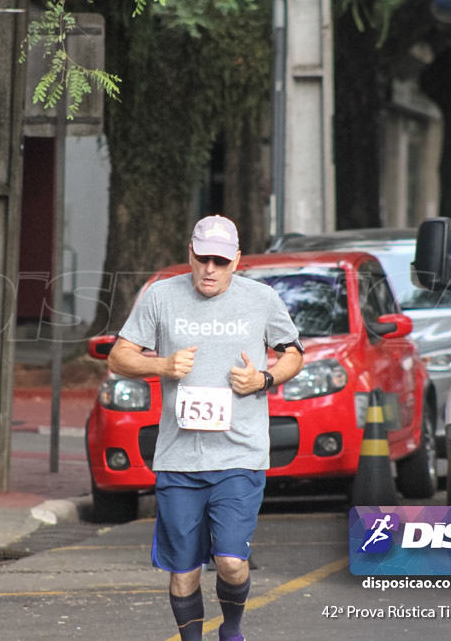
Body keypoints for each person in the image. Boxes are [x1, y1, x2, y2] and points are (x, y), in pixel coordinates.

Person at [108, 214, 304, 641]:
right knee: (184, 574)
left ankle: (231, 630)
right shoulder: (161, 296)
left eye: (219, 260)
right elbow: (118, 356)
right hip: (180, 458)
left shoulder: (262, 299)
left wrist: (264, 379)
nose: (210, 269)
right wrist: (161, 364)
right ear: (190, 255)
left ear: (237, 260)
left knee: (232, 562)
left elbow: (293, 353)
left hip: (240, 454)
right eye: (202, 259)